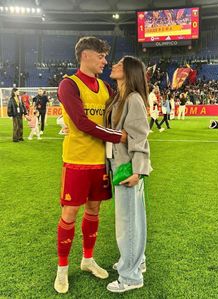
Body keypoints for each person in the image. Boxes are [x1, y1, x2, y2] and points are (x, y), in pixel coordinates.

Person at [54, 36, 127, 294]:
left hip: (100, 162)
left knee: (94, 211)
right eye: (102, 56)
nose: (105, 61)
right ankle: (62, 269)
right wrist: (118, 136)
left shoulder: (106, 87)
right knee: (70, 214)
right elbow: (82, 123)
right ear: (87, 55)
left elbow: (121, 108)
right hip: (76, 161)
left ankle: (87, 260)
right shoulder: (68, 85)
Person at [104, 56, 152, 293]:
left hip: (128, 169)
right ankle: (136, 261)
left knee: (128, 224)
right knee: (134, 219)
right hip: (122, 166)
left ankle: (131, 277)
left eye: (120, 65)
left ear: (130, 72)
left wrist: (138, 171)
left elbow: (140, 136)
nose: (114, 65)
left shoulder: (132, 99)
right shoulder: (121, 98)